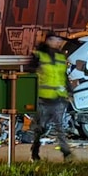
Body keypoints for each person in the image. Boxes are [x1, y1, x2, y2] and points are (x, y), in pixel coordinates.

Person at [31, 34, 73, 162]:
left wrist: (69, 92)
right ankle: (35, 152)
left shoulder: (60, 57)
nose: (59, 43)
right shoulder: (39, 56)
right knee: (40, 128)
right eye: (56, 40)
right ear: (49, 41)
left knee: (60, 127)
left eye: (60, 40)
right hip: (43, 98)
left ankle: (66, 153)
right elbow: (31, 72)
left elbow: (64, 76)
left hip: (58, 98)